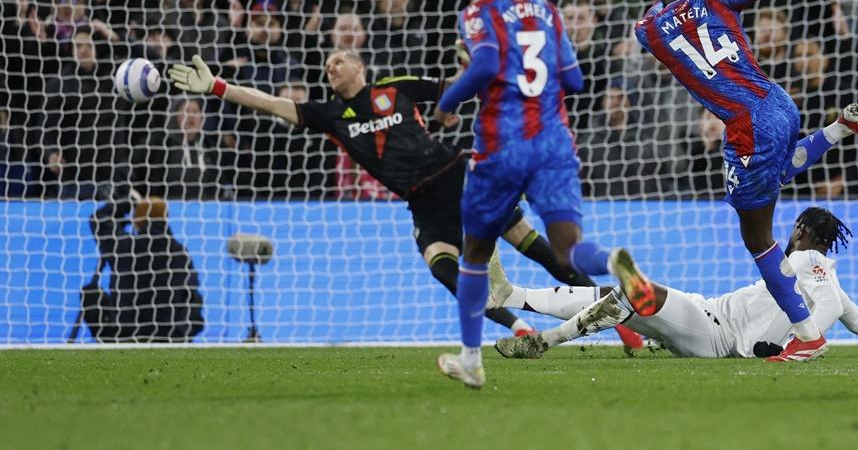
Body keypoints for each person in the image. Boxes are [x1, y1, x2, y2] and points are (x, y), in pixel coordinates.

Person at [165, 47, 599, 346]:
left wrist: (471, 73)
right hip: (423, 203)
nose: (330, 69)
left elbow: (458, 89)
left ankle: (616, 313)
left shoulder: (397, 88)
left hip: (458, 177)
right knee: (443, 268)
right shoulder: (332, 117)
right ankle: (521, 330)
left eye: (337, 62)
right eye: (327, 67)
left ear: (360, 67)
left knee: (531, 242)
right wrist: (219, 87)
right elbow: (272, 103)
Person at [631, 0, 858, 364]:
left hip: (745, 124)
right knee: (772, 179)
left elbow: (659, 9)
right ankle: (837, 129)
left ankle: (807, 334)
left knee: (758, 238)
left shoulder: (649, 30)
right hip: (778, 102)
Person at [431, 0, 622, 388]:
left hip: (502, 144)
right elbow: (575, 81)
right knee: (568, 248)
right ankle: (614, 261)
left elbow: (483, 66)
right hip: (553, 143)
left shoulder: (478, 13)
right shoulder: (548, 11)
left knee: (475, 253)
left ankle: (472, 361)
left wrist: (448, 104)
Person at [491, 207, 858, 361]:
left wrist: (798, 345)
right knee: (619, 297)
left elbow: (827, 306)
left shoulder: (809, 259)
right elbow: (846, 309)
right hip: (705, 316)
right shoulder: (814, 271)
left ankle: (543, 341)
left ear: (803, 230)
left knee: (641, 293)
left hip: (718, 333)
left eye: (796, 228)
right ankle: (515, 297)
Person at [82, 192, 204, 342]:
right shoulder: (180, 253)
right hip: (169, 333)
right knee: (194, 296)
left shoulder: (124, 247)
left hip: (124, 333)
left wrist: (123, 203)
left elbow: (98, 220)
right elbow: (191, 292)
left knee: (90, 293)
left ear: (137, 219)